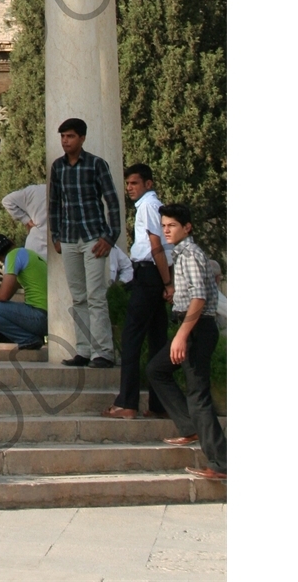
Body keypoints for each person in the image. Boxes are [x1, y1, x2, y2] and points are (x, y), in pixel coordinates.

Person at [146, 203, 226, 481]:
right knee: (156, 370)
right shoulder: (182, 254)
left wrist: (181, 336)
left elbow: (200, 298)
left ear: (187, 228)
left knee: (199, 396)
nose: (166, 231)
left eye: (172, 226)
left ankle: (220, 463)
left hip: (196, 329)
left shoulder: (190, 254)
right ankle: (188, 426)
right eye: (164, 226)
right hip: (190, 326)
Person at [47, 117, 122, 368]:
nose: (65, 141)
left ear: (82, 138)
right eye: (62, 137)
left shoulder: (96, 164)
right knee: (78, 296)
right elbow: (55, 203)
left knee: (96, 296)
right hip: (68, 238)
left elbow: (112, 201)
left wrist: (110, 236)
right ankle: (83, 350)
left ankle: (104, 352)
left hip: (93, 237)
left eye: (70, 136)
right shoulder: (58, 167)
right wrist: (55, 235)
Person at [105, 164, 174, 421]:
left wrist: (167, 283)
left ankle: (127, 402)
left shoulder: (148, 205)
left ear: (148, 183)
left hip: (149, 273)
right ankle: (159, 404)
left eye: (135, 183)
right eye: (128, 184)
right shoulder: (151, 205)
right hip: (154, 274)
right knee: (157, 338)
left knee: (132, 337)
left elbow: (156, 245)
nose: (130, 188)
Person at [0, 184, 50, 259]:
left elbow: (7, 201)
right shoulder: (33, 192)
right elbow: (7, 201)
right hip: (43, 248)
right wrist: (26, 220)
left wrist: (26, 220)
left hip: (37, 249)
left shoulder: (33, 191)